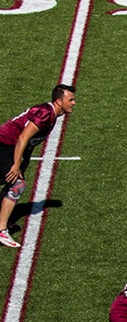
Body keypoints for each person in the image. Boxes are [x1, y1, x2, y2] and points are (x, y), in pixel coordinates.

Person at [0, 84, 76, 249]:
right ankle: (1, 230)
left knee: (13, 182)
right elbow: (23, 138)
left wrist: (22, 164)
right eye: (70, 99)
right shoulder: (45, 114)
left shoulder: (52, 115)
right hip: (4, 145)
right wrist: (15, 164)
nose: (73, 103)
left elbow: (30, 142)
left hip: (9, 147)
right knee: (17, 184)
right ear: (58, 101)